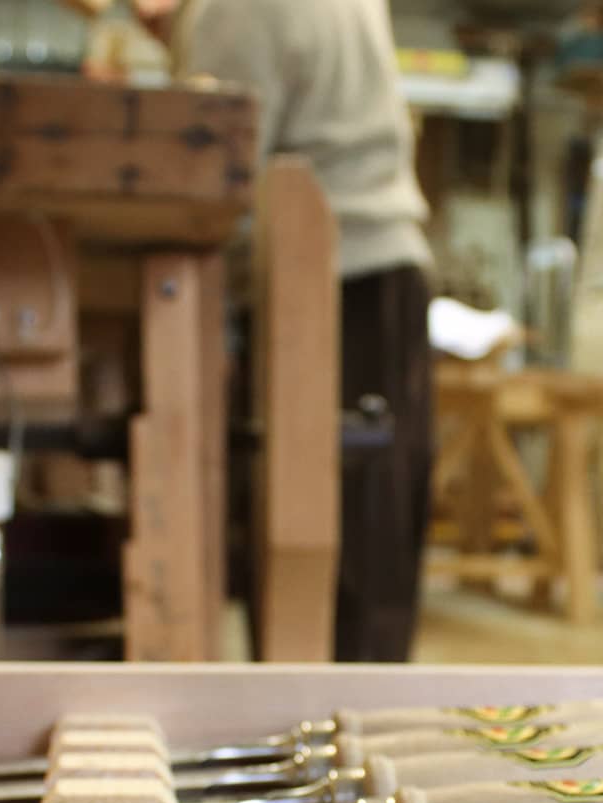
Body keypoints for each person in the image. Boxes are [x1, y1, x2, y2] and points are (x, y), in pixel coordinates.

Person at [167, 0, 435, 662]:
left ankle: (322, 742)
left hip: (321, 276)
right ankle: (341, 738)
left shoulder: (233, 10)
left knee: (330, 559)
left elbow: (217, 172)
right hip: (378, 266)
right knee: (372, 553)